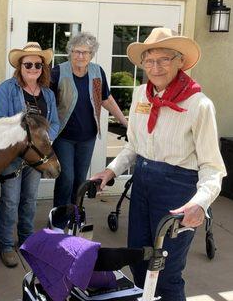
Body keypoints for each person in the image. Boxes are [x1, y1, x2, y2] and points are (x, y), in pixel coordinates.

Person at [91, 28, 226, 300]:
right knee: (139, 262)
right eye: (149, 61)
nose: (156, 67)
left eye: (164, 59)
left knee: (165, 272)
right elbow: (133, 146)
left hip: (178, 191)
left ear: (180, 61)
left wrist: (200, 202)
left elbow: (213, 167)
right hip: (142, 186)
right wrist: (111, 170)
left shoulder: (199, 105)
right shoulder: (141, 95)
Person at [0, 42, 60, 268]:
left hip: (37, 157)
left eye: (38, 65)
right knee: (10, 201)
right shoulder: (6, 89)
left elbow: (55, 123)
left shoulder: (48, 94)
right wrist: (25, 142)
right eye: (28, 64)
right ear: (20, 66)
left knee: (30, 200)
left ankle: (27, 240)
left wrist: (43, 142)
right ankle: (6, 245)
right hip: (13, 155)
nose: (33, 68)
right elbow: (0, 121)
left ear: (43, 68)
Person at [50, 32, 127, 226]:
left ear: (91, 54)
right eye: (76, 51)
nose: (80, 56)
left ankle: (75, 215)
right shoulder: (58, 72)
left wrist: (126, 123)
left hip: (87, 136)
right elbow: (48, 103)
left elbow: (106, 99)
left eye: (85, 52)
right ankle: (58, 220)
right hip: (64, 136)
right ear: (70, 52)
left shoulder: (96, 72)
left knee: (80, 180)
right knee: (66, 178)